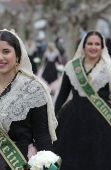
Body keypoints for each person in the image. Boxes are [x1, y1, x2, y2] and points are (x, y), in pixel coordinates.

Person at [0, 29, 58, 170]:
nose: (0, 57)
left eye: (6, 51)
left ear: (17, 55)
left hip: (21, 162)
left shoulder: (33, 88)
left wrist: (50, 166)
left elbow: (42, 135)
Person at [53, 31, 111, 170]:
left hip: (102, 120)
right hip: (73, 120)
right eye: (90, 43)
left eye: (97, 44)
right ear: (83, 45)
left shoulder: (109, 67)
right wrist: (52, 118)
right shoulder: (71, 66)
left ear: (102, 47)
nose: (93, 47)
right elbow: (62, 95)